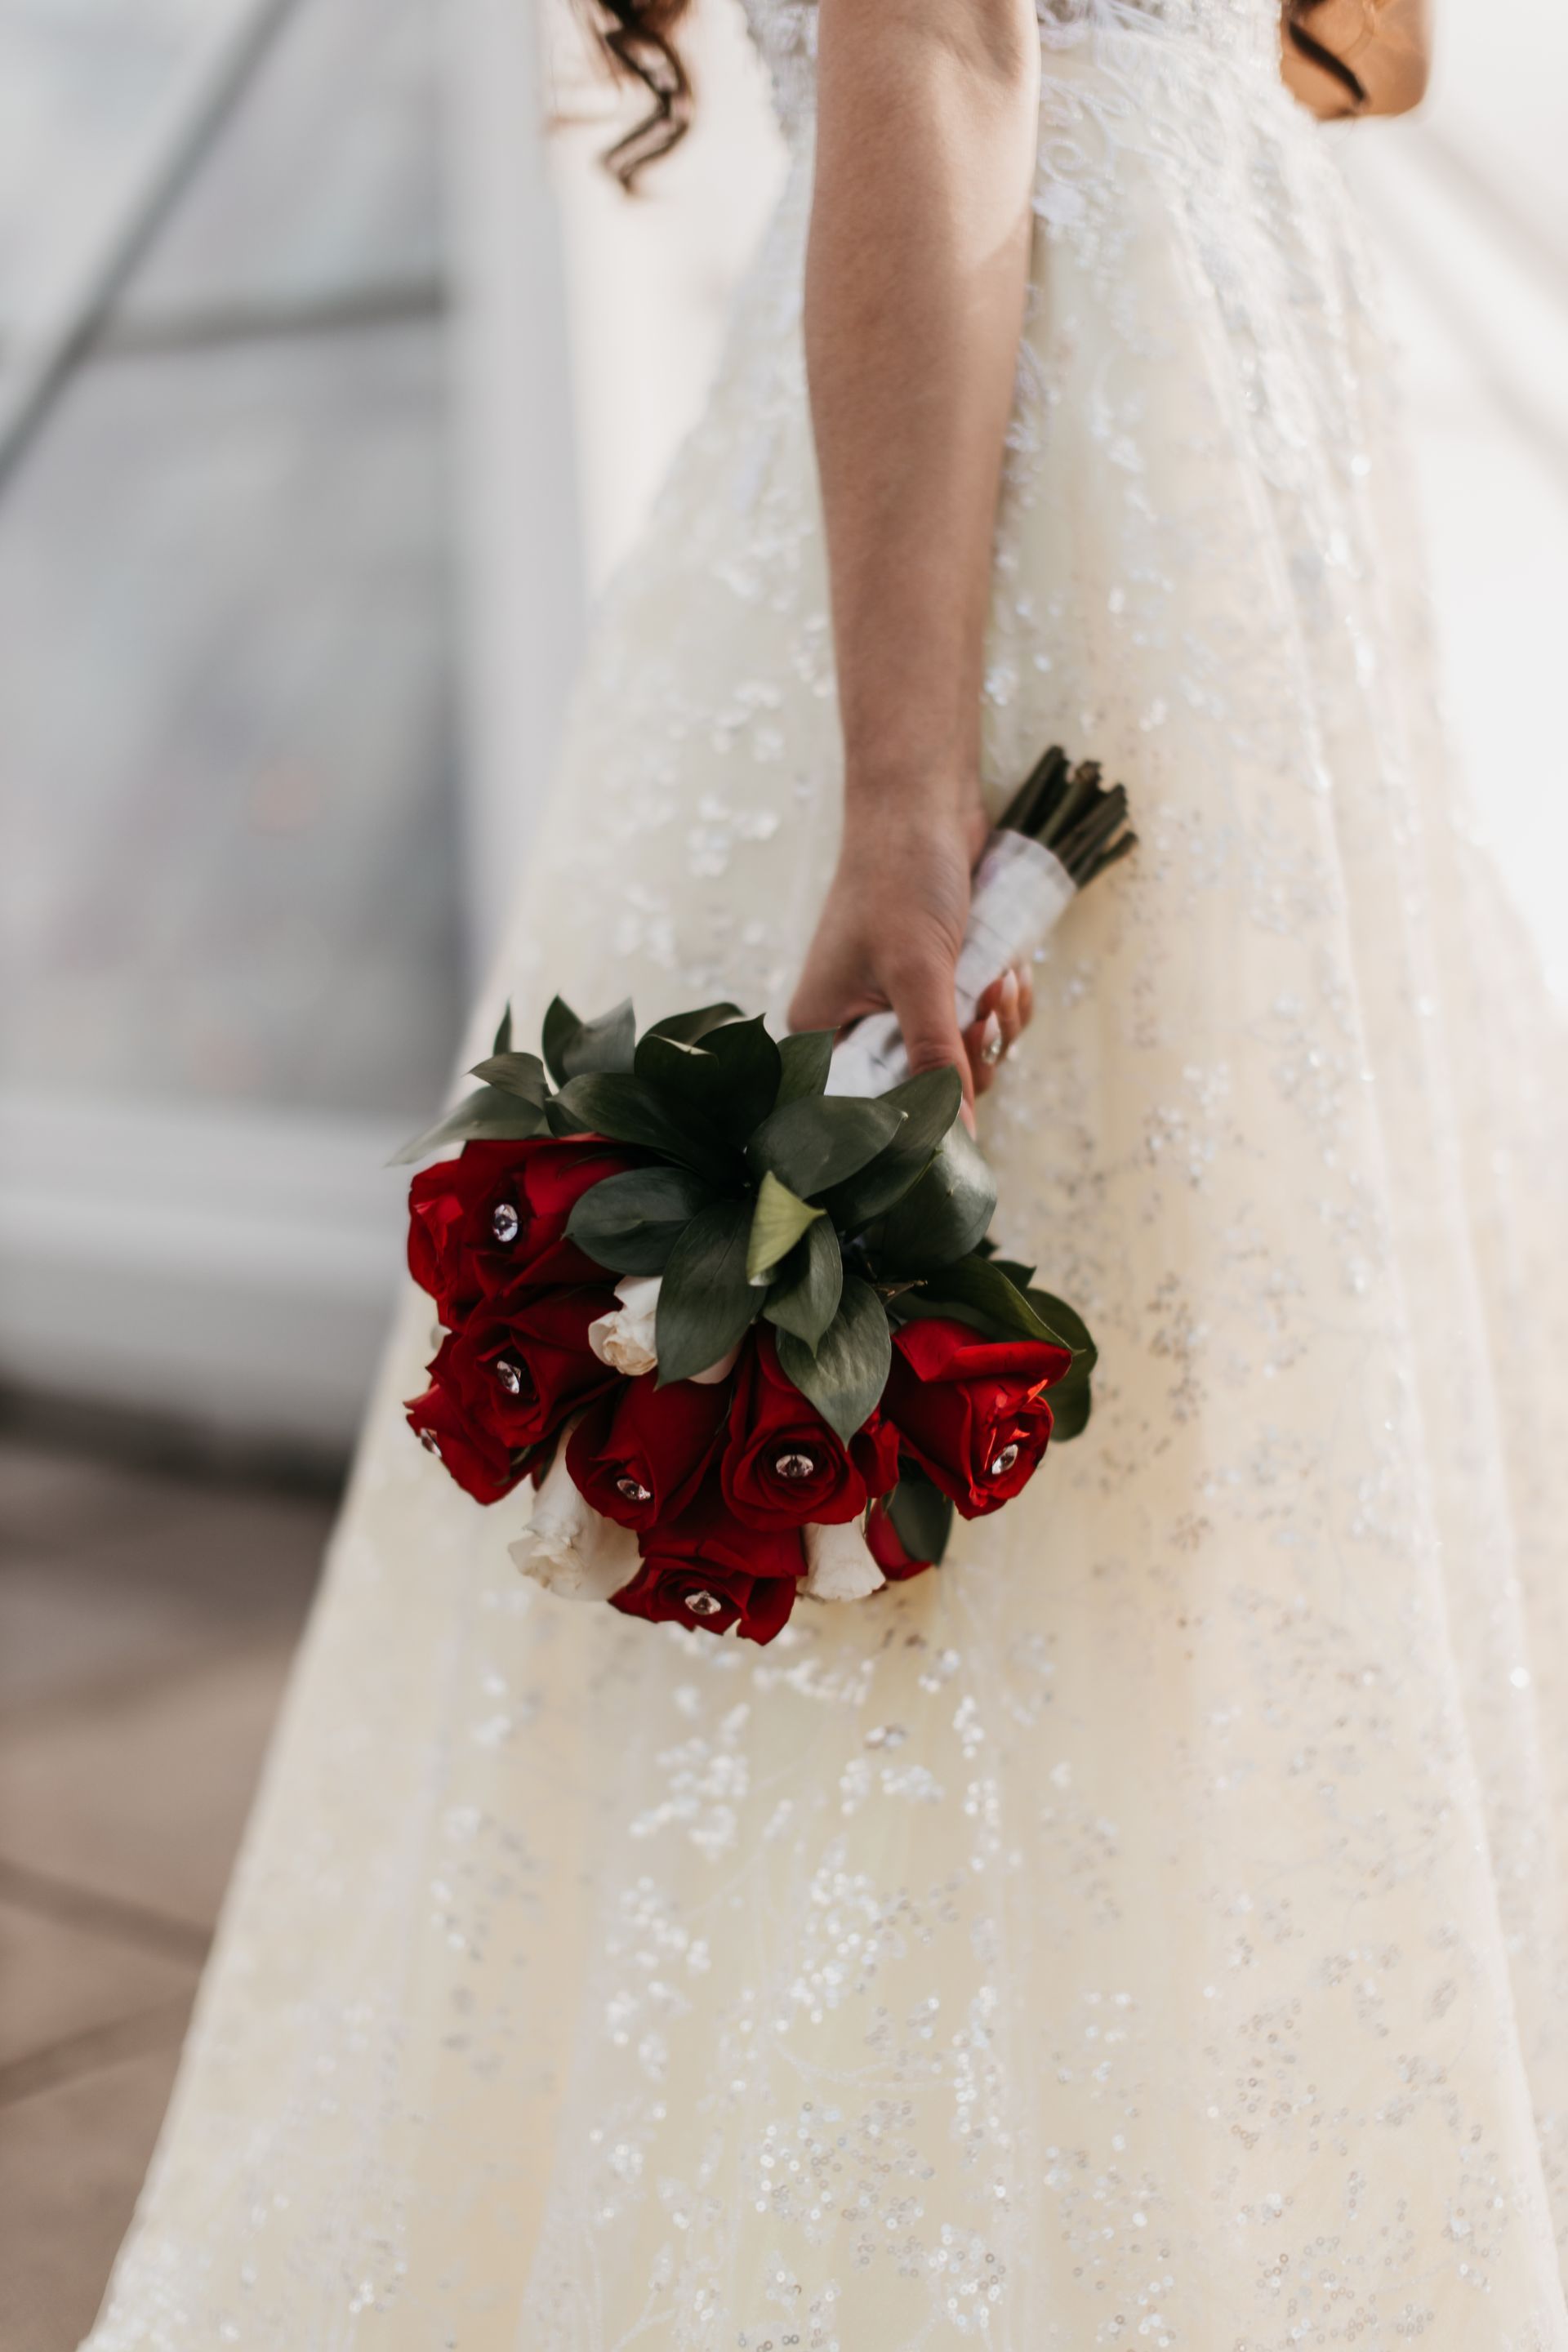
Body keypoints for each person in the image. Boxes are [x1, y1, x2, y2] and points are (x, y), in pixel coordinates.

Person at [86, 0, 1568, 2344]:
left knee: (1183, 1428)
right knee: (1111, 1434)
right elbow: (946, 43)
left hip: (1179, 467)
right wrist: (901, 801)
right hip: (1064, 469)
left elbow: (1338, 58)